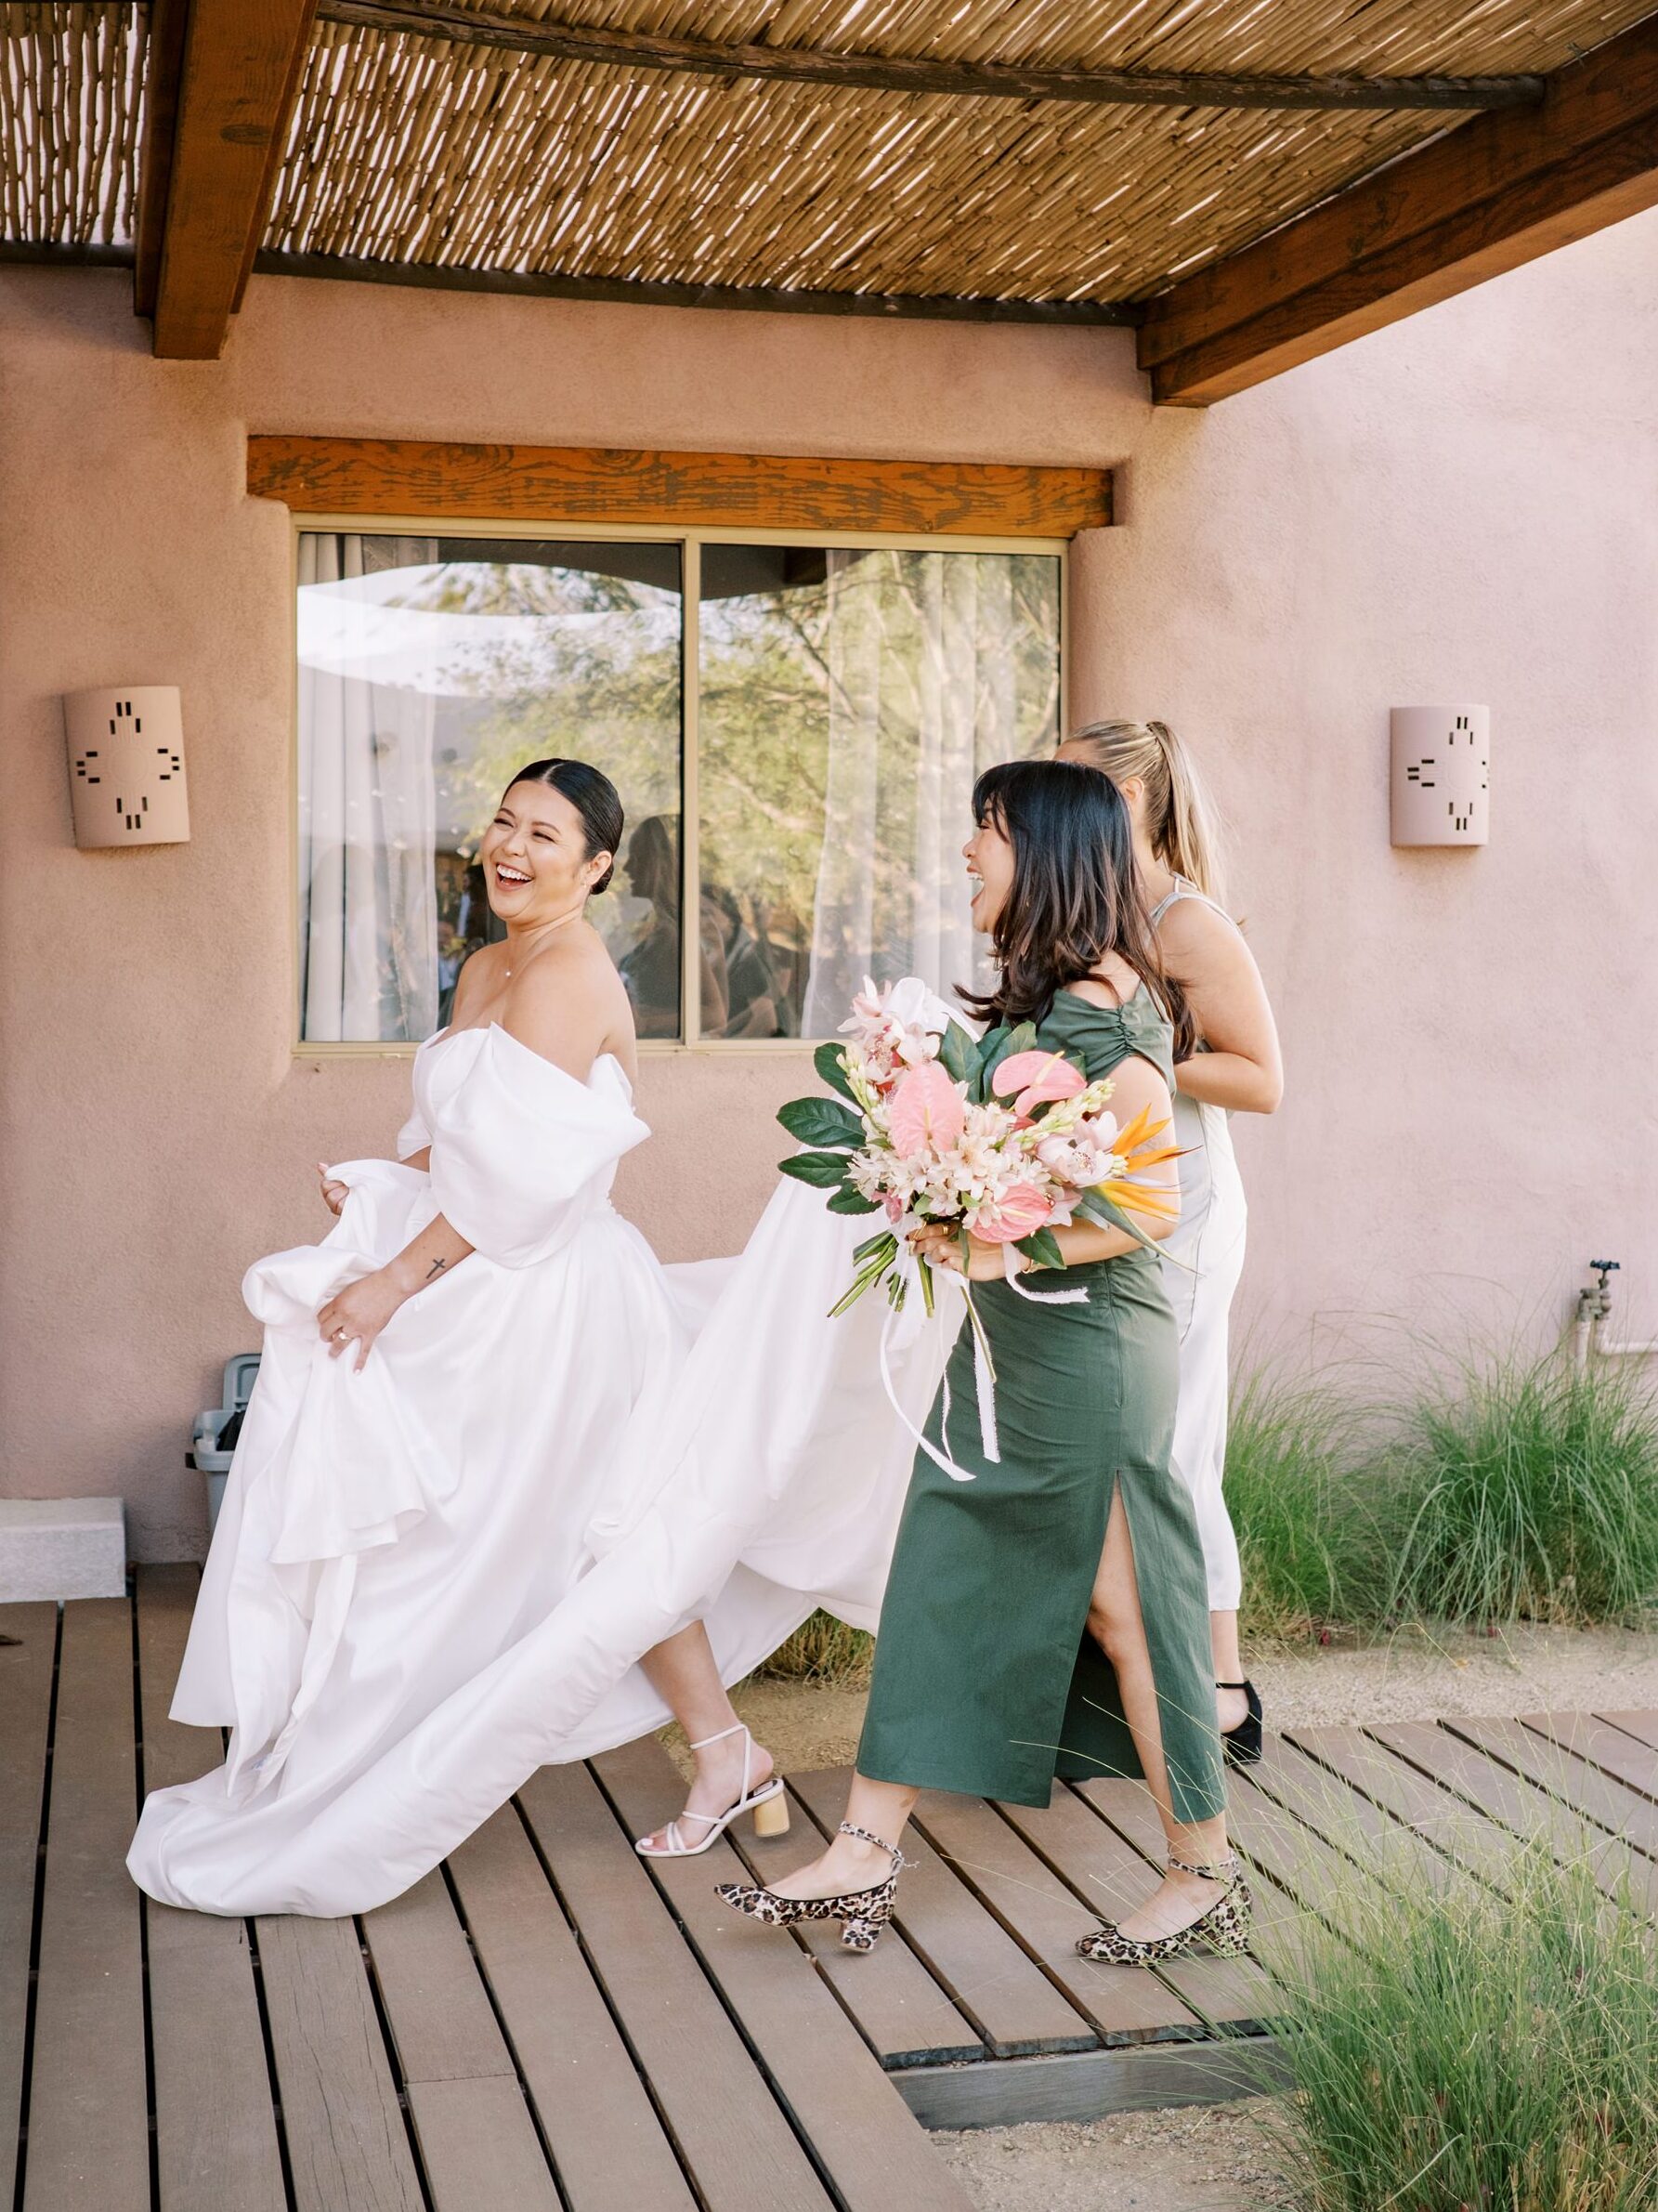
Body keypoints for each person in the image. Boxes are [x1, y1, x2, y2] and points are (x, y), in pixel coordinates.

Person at [127, 759, 793, 1915]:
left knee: (484, 1544)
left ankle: (382, 1775)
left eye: (546, 833)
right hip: (486, 1289)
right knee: (603, 1533)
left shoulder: (570, 973)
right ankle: (728, 1751)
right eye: (504, 821)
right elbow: (466, 1146)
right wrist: (387, 1185)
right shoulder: (488, 962)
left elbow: (524, 1188)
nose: (512, 846)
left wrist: (393, 1276)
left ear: (595, 868)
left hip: (548, 1306)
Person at [716, 761, 1247, 1964]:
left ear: (1049, 852)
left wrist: (986, 1235)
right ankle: (864, 1846)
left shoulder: (1105, 1004)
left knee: (1126, 1604)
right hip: (1012, 1343)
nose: (968, 851)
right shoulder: (1033, 997)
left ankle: (1203, 1867)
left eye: (989, 832)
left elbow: (1151, 1197)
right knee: (946, 1563)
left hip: (1093, 1348)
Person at [1055, 722, 1283, 1763]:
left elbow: (1261, 1079)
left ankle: (1222, 1689)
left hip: (1183, 1209)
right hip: (1113, 1203)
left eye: (1080, 785)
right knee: (1137, 1445)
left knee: (1177, 1447)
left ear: (1140, 800)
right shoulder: (1079, 913)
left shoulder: (1185, 919)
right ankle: (1142, 1685)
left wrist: (1136, 1049)